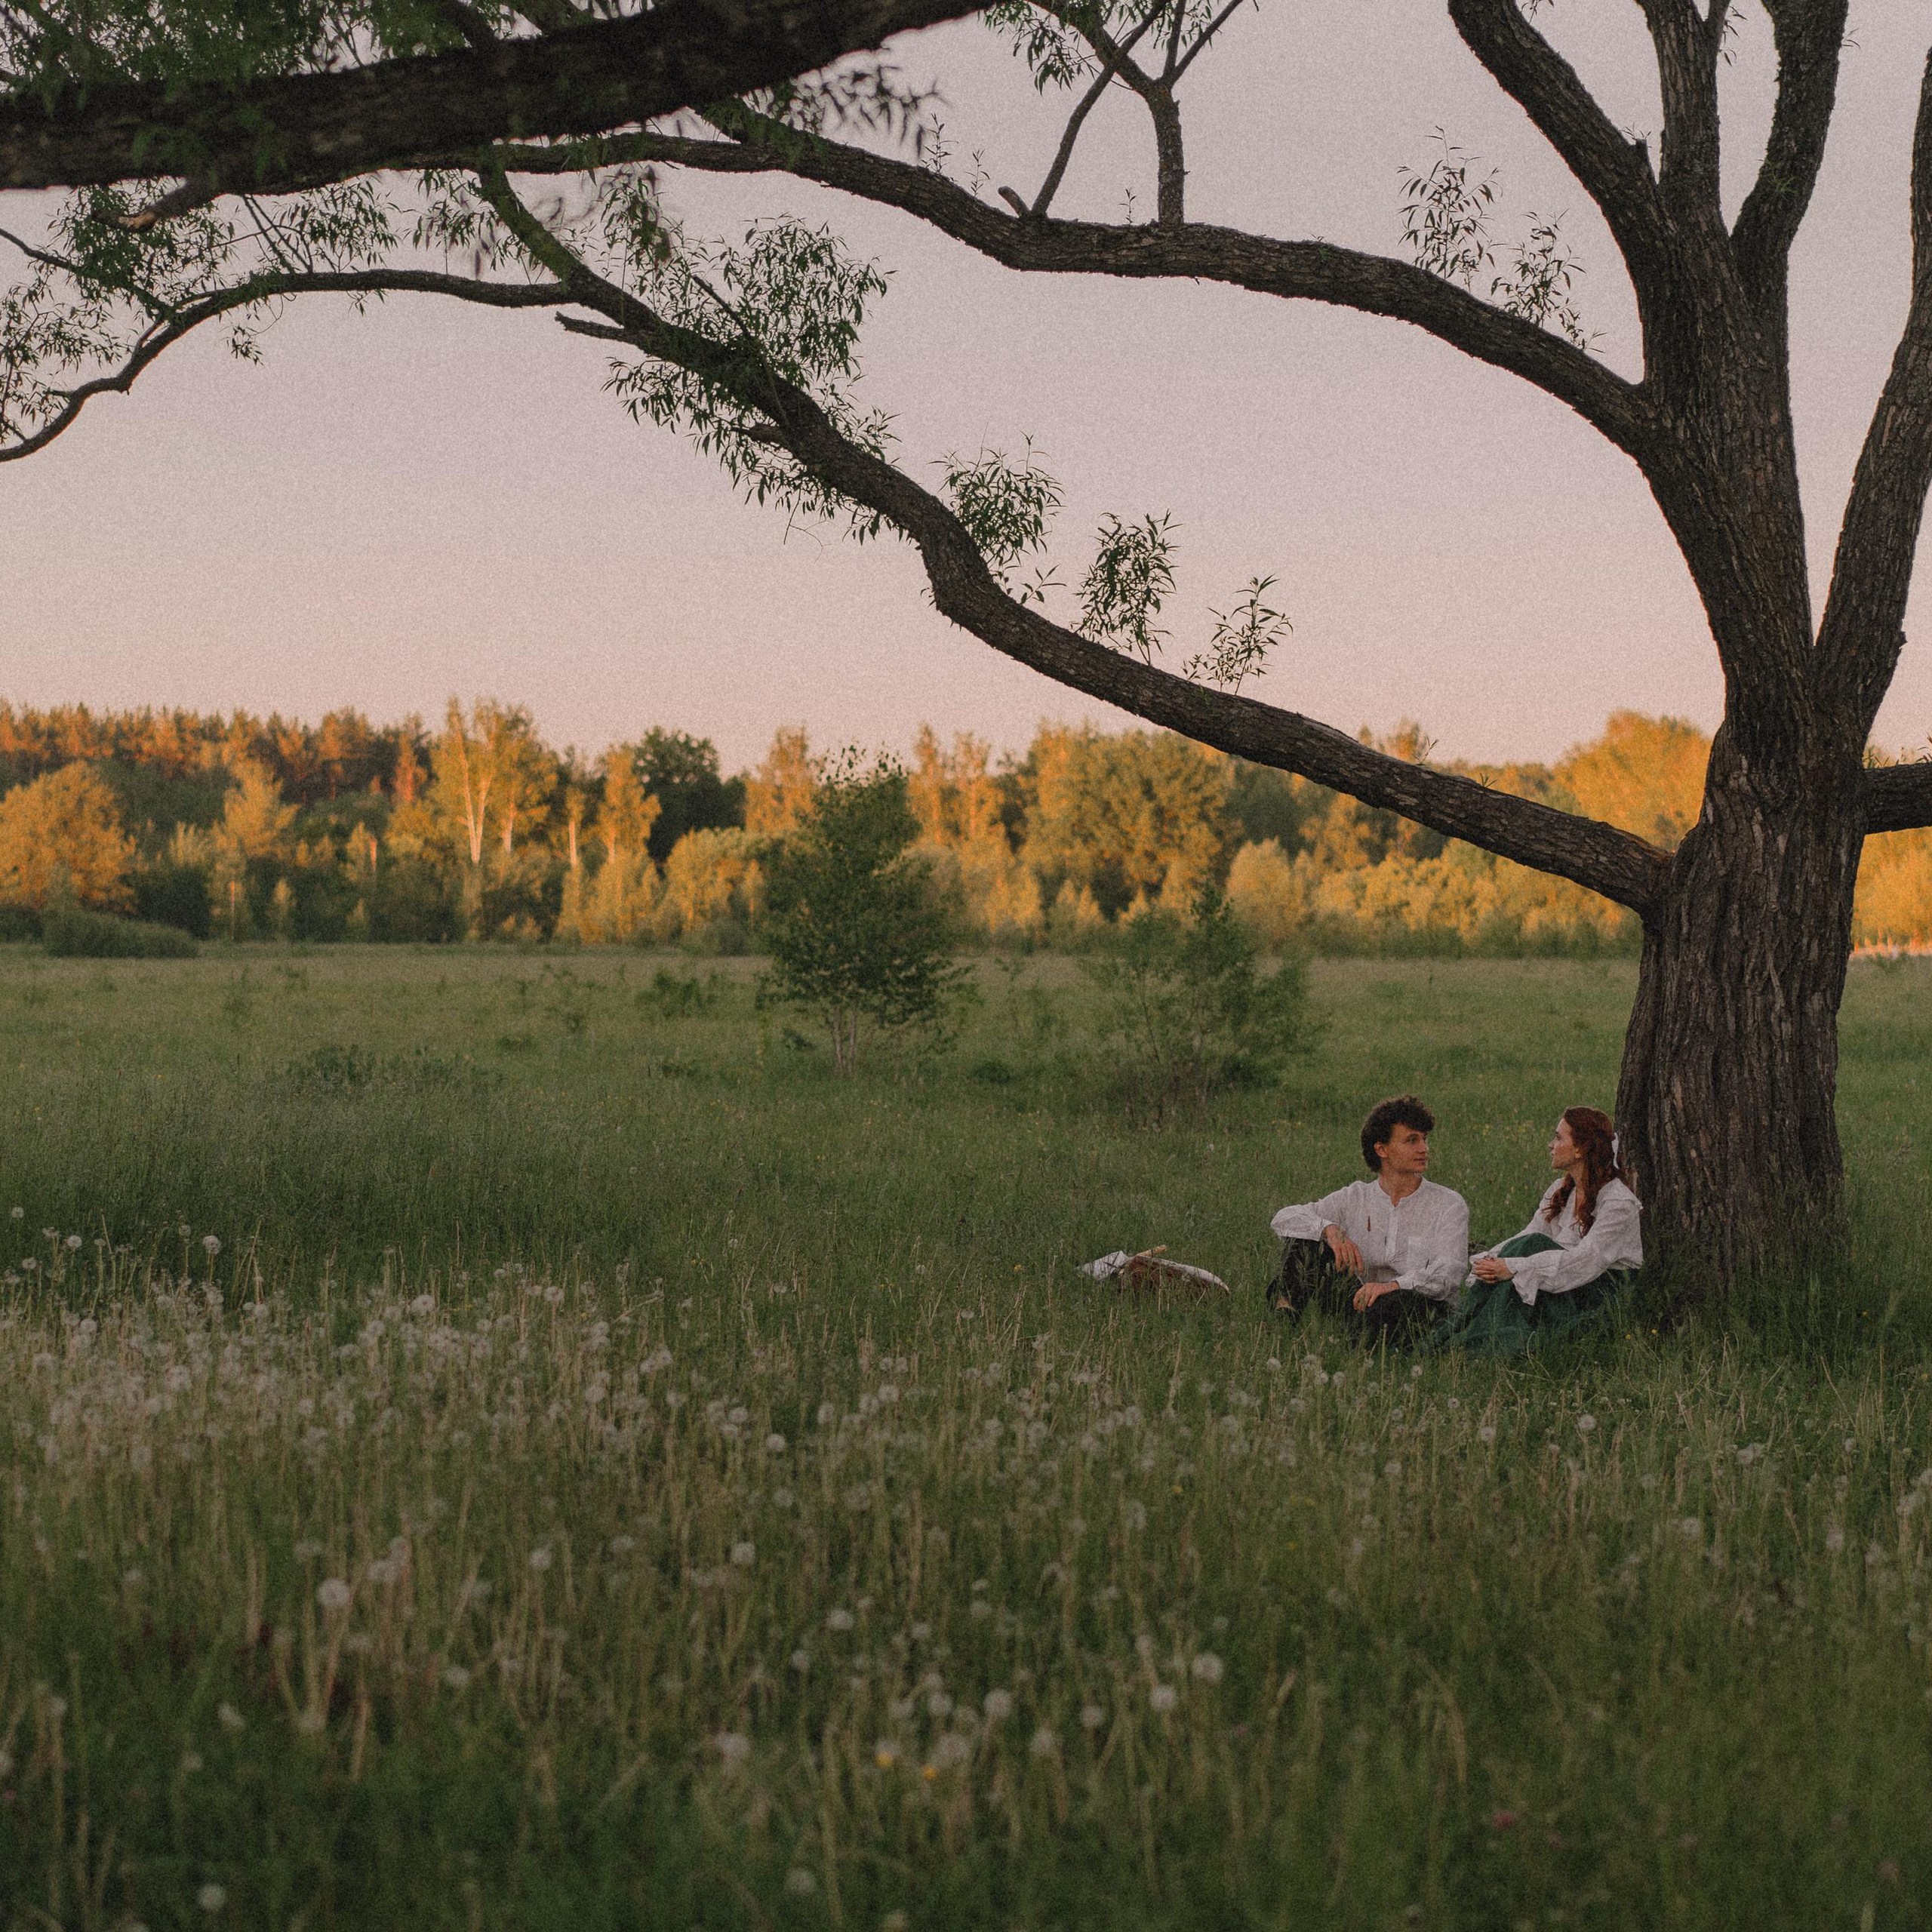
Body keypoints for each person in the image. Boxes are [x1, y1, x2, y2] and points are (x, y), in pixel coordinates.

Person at [1429, 1105, 1641, 1357]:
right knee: (1528, 1246)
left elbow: (1585, 1262)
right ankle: (1458, 1337)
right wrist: (1493, 1260)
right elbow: (1527, 1235)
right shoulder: (1560, 1191)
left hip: (1597, 1293)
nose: (1551, 1145)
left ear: (1580, 1149)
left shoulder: (1617, 1203)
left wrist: (1515, 1267)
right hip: (1561, 1279)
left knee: (1532, 1249)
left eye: (1559, 1138)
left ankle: (1462, 1342)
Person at [1266, 1094, 1470, 1347]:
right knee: (1306, 1240)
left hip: (1417, 1306)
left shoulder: (1448, 1203)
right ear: (1382, 1149)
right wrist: (1328, 1229)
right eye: (1412, 1140)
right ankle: (1282, 1326)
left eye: (1424, 1140)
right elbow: (1284, 1217)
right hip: (1359, 1300)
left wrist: (1394, 1286)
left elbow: (1450, 1273)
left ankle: (1355, 1347)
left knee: (1398, 1304)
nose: (1424, 1149)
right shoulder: (1356, 1197)